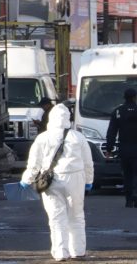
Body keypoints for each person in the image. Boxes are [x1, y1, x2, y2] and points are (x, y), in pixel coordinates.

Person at [20, 104, 94, 261]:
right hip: (76, 177)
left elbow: (34, 164)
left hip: (52, 179)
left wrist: (27, 180)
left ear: (51, 118)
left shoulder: (43, 138)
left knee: (56, 216)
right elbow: (88, 162)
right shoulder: (78, 137)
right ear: (68, 119)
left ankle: (61, 252)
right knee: (76, 215)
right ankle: (78, 250)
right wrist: (89, 181)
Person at [105, 88, 137, 208]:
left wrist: (109, 148)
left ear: (124, 97)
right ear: (135, 97)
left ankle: (128, 200)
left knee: (127, 174)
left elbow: (112, 132)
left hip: (124, 149)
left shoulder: (118, 111)